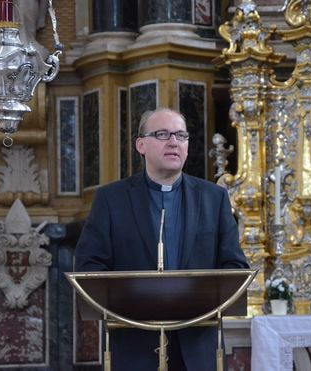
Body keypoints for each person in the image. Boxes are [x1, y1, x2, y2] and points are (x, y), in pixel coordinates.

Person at [75, 108, 249, 370]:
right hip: (134, 343)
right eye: (162, 134)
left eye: (181, 135)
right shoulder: (111, 200)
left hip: (196, 344)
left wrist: (203, 299)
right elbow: (89, 268)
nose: (173, 142)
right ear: (140, 145)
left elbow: (234, 266)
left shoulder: (214, 198)